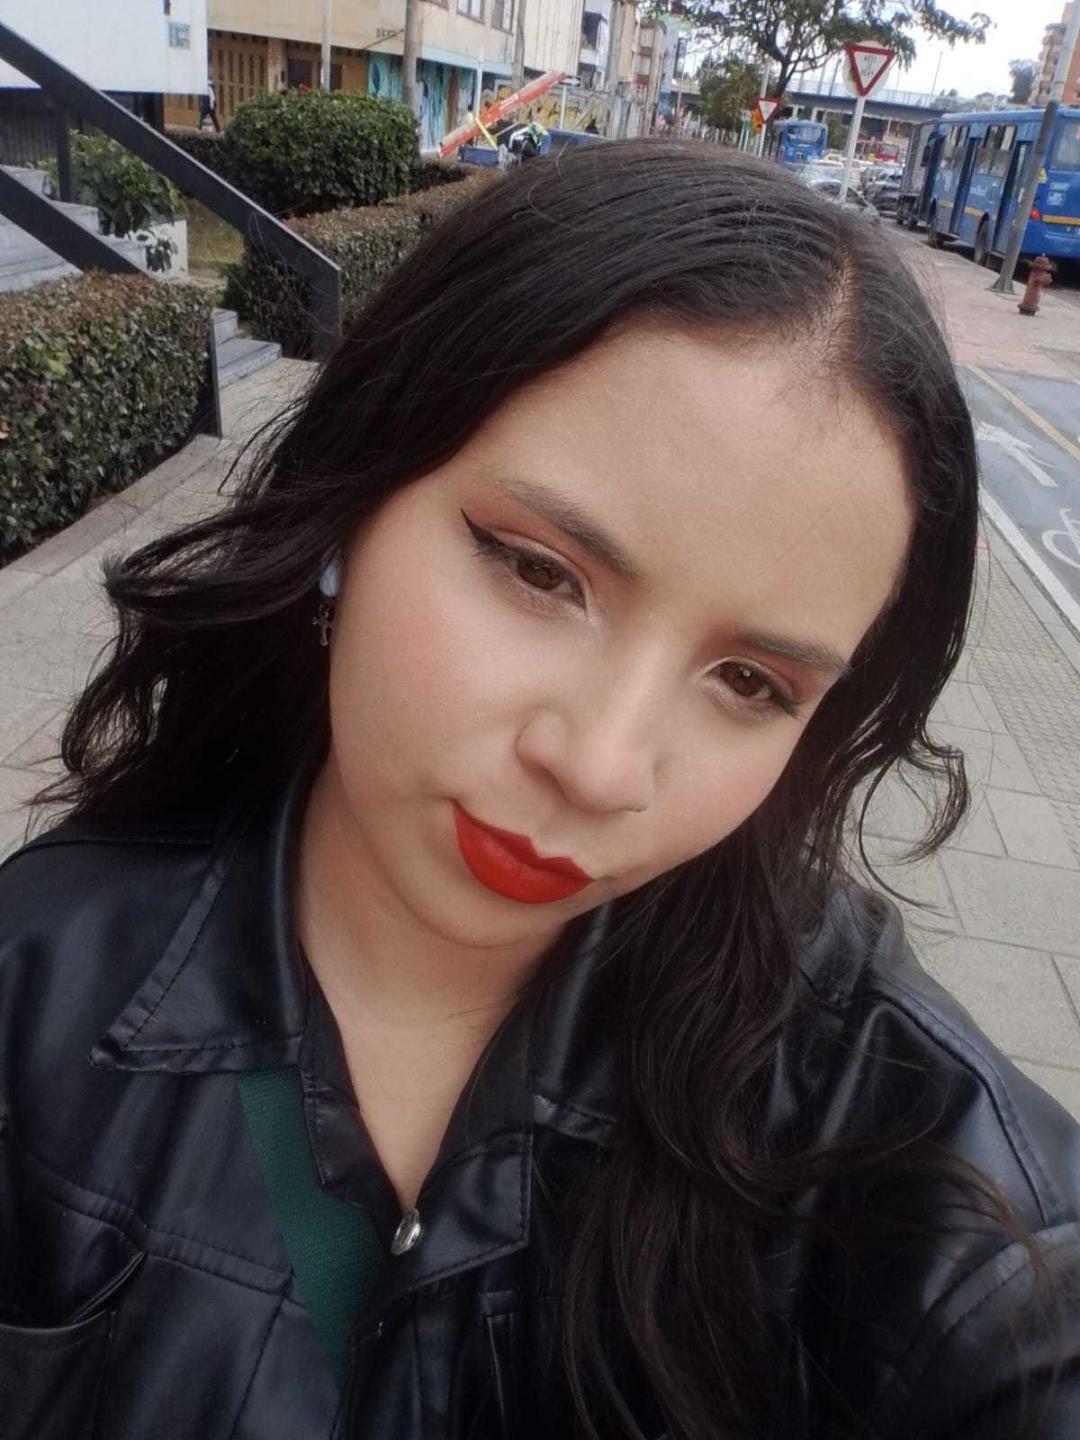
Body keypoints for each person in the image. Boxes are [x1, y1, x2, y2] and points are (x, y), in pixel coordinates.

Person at [2, 141, 1079, 1440]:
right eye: (537, 571)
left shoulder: (879, 1123)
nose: (602, 765)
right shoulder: (38, 992)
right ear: (358, 492)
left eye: (751, 683)